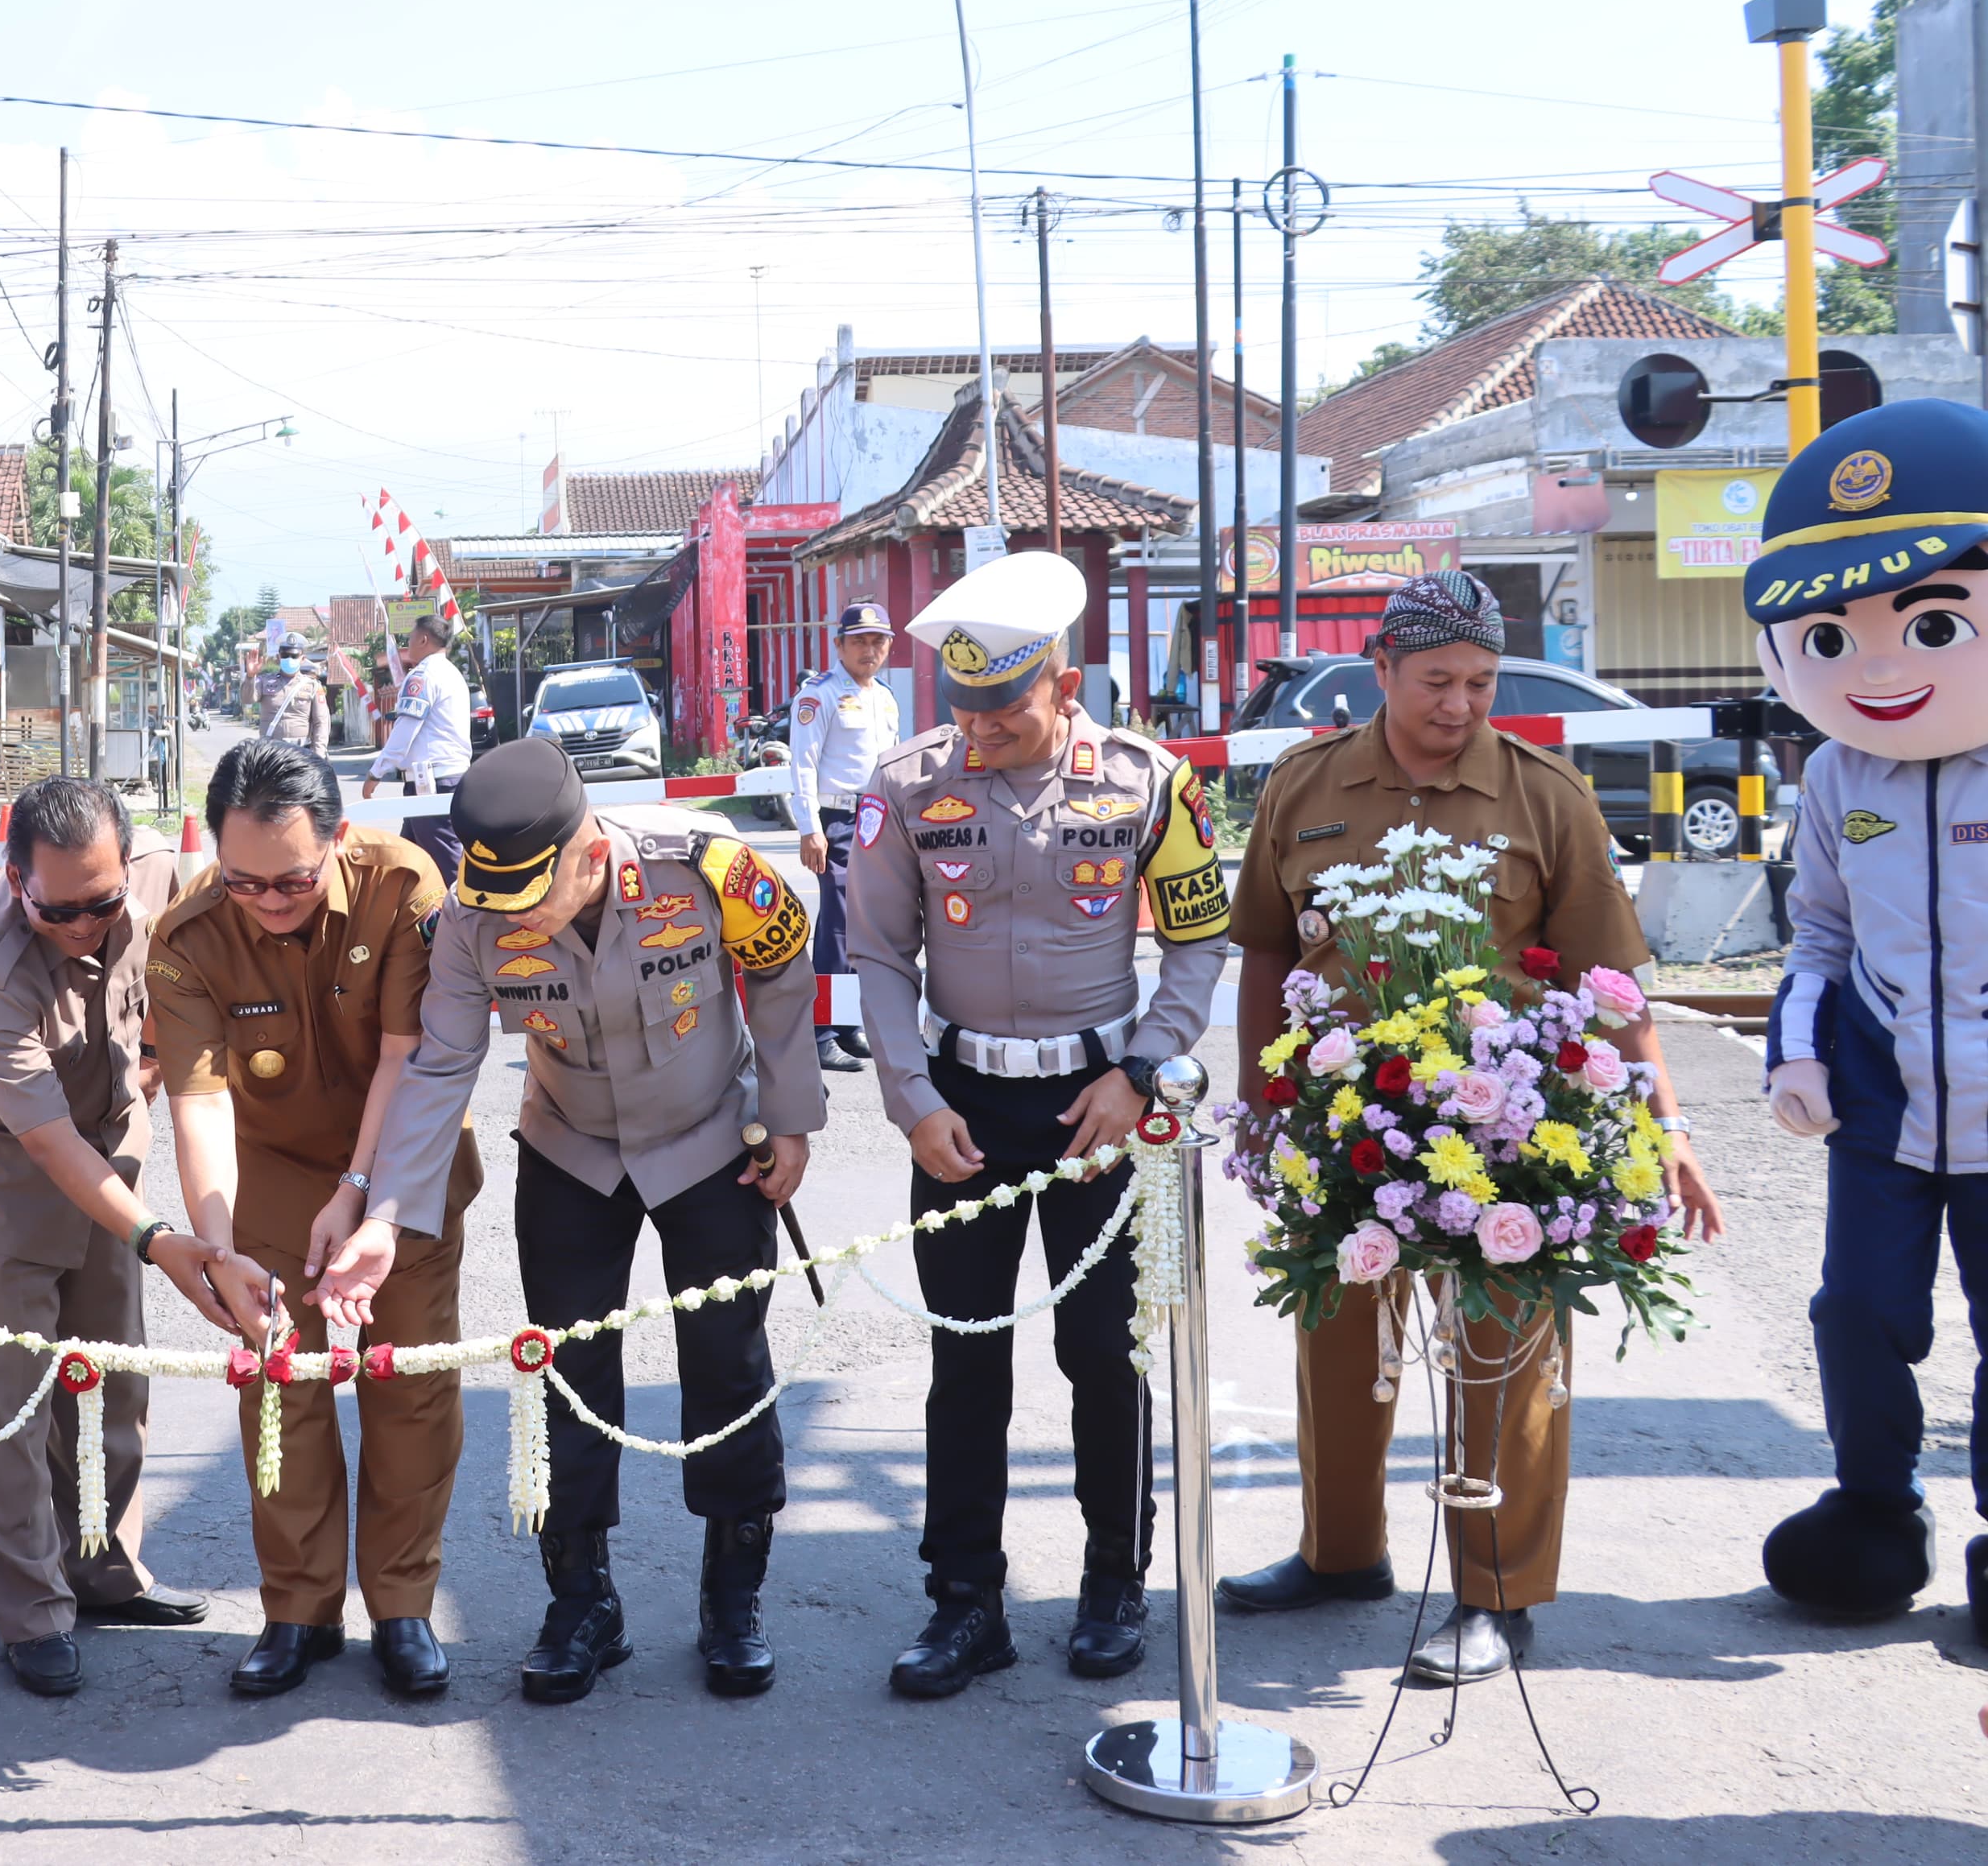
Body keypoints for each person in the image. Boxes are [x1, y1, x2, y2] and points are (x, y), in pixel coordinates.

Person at [1214, 568, 1722, 1683]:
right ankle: (1341, 1555)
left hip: (1511, 1134)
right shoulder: (1306, 785)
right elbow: (1263, 946)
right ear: (1382, 668)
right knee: (1338, 1345)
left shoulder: (1545, 796)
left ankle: (1499, 1595)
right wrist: (1261, 1101)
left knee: (1507, 1359)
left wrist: (1663, 1124)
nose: (1459, 704)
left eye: (1481, 682)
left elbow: (1612, 981)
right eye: (1436, 679)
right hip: (1343, 1119)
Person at [848, 551, 1230, 1700]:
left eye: (1004, 710)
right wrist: (910, 1097)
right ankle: (965, 1602)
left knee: (1103, 1355)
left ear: (1063, 687)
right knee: (964, 1360)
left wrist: (1145, 1072)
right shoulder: (905, 788)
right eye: (961, 709)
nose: (977, 732)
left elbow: (1200, 937)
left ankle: (1116, 1577)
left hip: (1100, 1106)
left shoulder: (1149, 782)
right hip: (961, 1105)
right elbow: (874, 950)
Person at [373, 736, 824, 1703]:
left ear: (585, 848)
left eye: (534, 894)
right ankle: (580, 1600)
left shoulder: (701, 864)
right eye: (497, 901)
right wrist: (387, 1214)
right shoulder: (468, 917)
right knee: (566, 1375)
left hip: (710, 1138)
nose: (513, 918)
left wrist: (789, 1117)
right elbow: (439, 1067)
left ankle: (732, 1595)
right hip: (570, 1144)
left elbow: (784, 968)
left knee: (725, 1359)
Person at [0, 777, 255, 1698]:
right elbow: (44, 1141)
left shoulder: (158, 881)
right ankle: (33, 1611)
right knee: (8, 1406)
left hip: (106, 1150)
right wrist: (163, 1242)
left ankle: (105, 1568)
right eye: (61, 910)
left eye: (103, 903)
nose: (87, 924)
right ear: (14, 880)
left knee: (112, 1379)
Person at [149, 741, 468, 1701]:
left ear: (335, 837)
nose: (268, 901)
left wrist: (362, 1188)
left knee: (407, 1382)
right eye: (243, 882)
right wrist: (221, 1247)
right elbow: (199, 1105)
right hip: (274, 1171)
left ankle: (402, 1607)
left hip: (402, 1163)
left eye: (289, 880)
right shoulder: (188, 937)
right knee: (278, 1383)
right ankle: (297, 1610)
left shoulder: (401, 882)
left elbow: (405, 1056)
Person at [1742, 401, 1988, 1639]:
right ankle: (1874, 1511)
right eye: (1834, 635)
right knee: (1857, 1314)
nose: (1883, 667)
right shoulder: (1839, 777)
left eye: (1933, 623)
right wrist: (1795, 1053)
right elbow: (1821, 937)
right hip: (1885, 1106)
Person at [787, 599, 900, 1077]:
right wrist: (810, 828)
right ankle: (821, 1034)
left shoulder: (886, 697)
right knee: (835, 927)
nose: (869, 649)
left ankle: (848, 1022)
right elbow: (802, 766)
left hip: (876, 820)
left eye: (878, 641)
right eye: (859, 641)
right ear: (839, 645)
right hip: (835, 821)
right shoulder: (820, 695)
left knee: (864, 925)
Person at [362, 613, 473, 887]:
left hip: (431, 784)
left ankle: (467, 924)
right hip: (447, 778)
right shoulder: (452, 673)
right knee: (405, 864)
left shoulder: (422, 676)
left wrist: (376, 772)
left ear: (424, 639)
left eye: (410, 638)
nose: (407, 644)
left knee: (447, 867)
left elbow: (405, 731)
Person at [261, 658, 329, 753]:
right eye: (285, 655)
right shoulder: (265, 682)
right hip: (271, 751)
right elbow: (247, 699)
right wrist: (250, 677)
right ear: (278, 657)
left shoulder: (313, 685)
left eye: (294, 655)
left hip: (301, 751)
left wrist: (319, 752)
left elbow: (321, 722)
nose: (289, 659)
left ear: (302, 659)